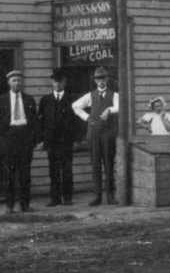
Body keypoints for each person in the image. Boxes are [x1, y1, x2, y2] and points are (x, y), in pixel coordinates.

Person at [0, 70, 40, 213]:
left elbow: (35, 122)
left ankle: (25, 204)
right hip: (9, 138)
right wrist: (1, 141)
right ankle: (10, 205)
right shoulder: (1, 100)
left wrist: (33, 140)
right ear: (8, 82)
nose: (17, 83)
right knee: (9, 174)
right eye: (14, 80)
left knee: (25, 173)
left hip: (25, 137)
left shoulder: (29, 99)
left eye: (19, 80)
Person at [72, 66, 119, 206]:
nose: (101, 81)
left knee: (109, 165)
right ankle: (97, 196)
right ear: (95, 81)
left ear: (107, 79)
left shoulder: (114, 95)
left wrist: (109, 109)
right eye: (98, 79)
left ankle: (110, 196)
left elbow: (119, 106)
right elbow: (75, 106)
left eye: (103, 78)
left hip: (108, 133)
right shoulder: (90, 95)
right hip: (93, 134)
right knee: (95, 165)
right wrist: (87, 118)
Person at [38, 68, 80, 207]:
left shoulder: (72, 100)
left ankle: (67, 198)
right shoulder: (45, 100)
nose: (57, 84)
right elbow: (41, 122)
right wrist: (42, 139)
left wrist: (76, 140)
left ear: (64, 82)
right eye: (55, 81)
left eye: (60, 81)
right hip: (52, 142)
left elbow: (77, 121)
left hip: (66, 141)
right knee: (54, 171)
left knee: (67, 170)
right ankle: (55, 198)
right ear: (52, 82)